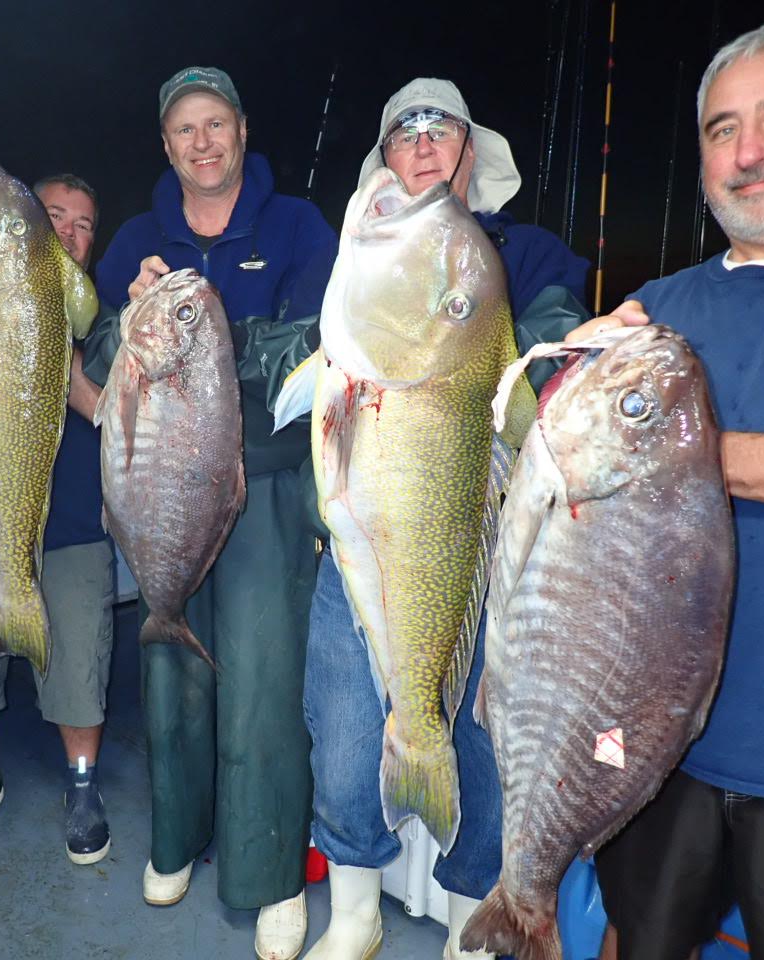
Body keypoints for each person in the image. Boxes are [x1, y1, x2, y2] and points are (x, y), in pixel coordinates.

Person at [572, 24, 764, 960]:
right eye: (720, 129)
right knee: (633, 939)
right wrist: (564, 386)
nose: (747, 153)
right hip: (659, 751)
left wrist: (682, 450)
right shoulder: (662, 305)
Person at [289, 80, 589, 960]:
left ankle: (470, 923)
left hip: (483, 551)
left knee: (483, 744)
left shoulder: (526, 254)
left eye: (441, 129)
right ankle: (354, 913)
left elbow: (553, 348)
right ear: (386, 162)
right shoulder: (363, 259)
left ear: (469, 152)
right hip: (361, 554)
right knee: (345, 734)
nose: (422, 144)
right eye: (403, 134)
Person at [82, 66, 337, 960]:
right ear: (167, 145)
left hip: (265, 485)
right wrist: (135, 314)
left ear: (241, 130)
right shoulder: (136, 239)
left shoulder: (300, 227)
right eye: (185, 128)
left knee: (265, 680)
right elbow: (102, 351)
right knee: (171, 671)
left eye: (216, 123)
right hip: (163, 490)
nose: (203, 141)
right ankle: (176, 840)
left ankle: (269, 877)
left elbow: (316, 347)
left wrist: (203, 324)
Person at [0, 173, 117, 866]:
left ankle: (82, 782)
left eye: (84, 222)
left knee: (79, 658)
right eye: (52, 214)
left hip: (72, 523)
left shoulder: (108, 318)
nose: (67, 229)